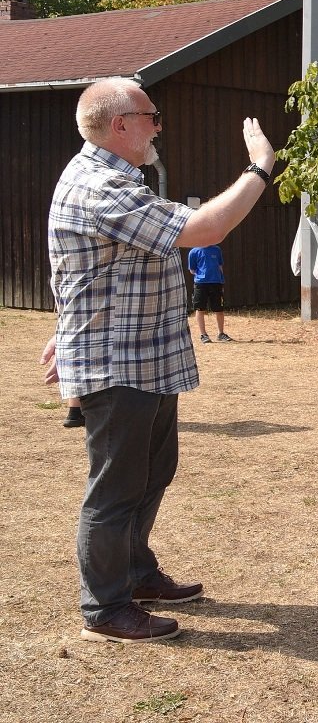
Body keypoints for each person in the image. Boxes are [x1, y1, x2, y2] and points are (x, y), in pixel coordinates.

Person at [44, 77, 275, 643]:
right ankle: (104, 607)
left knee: (152, 471)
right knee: (117, 486)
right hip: (119, 362)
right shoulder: (103, 186)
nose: (158, 126)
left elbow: (86, 270)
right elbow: (206, 229)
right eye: (152, 116)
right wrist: (260, 168)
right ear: (118, 124)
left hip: (141, 357)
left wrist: (65, 324)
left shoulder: (118, 181)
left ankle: (136, 573)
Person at [187, 244, 231, 342]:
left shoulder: (216, 249)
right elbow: (192, 270)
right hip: (200, 284)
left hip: (216, 283)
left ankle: (221, 333)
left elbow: (220, 266)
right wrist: (203, 275)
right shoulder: (193, 252)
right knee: (200, 309)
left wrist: (221, 281)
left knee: (219, 309)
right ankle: (203, 335)